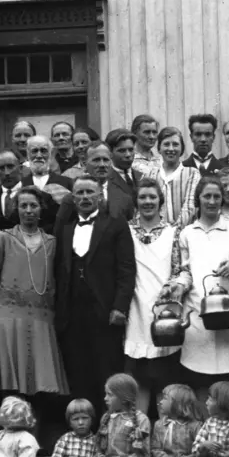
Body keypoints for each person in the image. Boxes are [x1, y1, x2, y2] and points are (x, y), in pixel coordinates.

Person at [55, 174, 136, 418]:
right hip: (72, 313)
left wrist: (119, 307)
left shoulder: (115, 224)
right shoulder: (65, 228)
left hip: (105, 312)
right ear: (73, 198)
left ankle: (109, 423)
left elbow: (126, 268)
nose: (84, 197)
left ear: (100, 196)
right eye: (79, 193)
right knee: (77, 371)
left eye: (90, 192)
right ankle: (82, 428)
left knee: (106, 370)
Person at [0, 187, 68, 398]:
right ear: (16, 209)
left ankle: (35, 428)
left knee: (40, 379)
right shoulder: (4, 238)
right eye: (23, 206)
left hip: (42, 316)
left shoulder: (52, 242)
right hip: (9, 316)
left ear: (41, 209)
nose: (28, 210)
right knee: (12, 381)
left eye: (33, 205)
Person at [168, 175, 229, 393]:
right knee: (198, 380)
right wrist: (179, 285)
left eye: (216, 196)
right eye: (207, 196)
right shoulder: (187, 233)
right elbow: (185, 271)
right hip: (197, 315)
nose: (212, 201)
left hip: (227, 314)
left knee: (227, 383)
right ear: (198, 199)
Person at [124, 178, 182, 414]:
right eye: (143, 197)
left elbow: (179, 270)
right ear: (136, 202)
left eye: (152, 197)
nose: (148, 202)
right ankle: (140, 436)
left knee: (164, 380)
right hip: (135, 313)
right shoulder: (125, 230)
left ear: (161, 201)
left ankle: (165, 436)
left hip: (164, 314)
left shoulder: (173, 232)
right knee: (138, 380)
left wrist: (173, 287)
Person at [153, 126, 199, 228]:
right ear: (159, 148)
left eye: (175, 144)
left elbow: (189, 207)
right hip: (156, 235)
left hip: (184, 234)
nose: (171, 148)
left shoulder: (192, 173)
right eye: (166, 144)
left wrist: (173, 233)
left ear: (181, 148)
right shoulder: (150, 175)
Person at [105, 128, 139, 194]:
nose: (128, 155)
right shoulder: (105, 180)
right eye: (122, 151)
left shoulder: (142, 176)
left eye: (131, 150)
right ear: (110, 153)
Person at [130, 114, 162, 180]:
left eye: (154, 132)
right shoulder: (129, 160)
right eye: (147, 132)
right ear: (134, 133)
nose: (152, 137)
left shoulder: (161, 160)